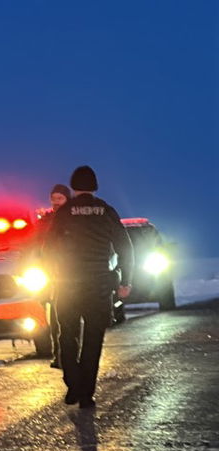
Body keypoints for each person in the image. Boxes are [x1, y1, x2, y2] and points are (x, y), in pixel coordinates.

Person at [43, 166, 133, 409]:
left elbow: (47, 248)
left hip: (68, 284)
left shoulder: (64, 213)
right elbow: (125, 248)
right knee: (94, 339)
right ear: (95, 186)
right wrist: (125, 281)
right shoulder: (106, 211)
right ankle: (86, 394)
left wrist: (53, 272)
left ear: (73, 186)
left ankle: (73, 384)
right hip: (99, 285)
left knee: (67, 336)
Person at [44, 183, 71, 369]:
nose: (56, 203)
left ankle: (70, 355)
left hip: (72, 276)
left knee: (69, 318)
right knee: (54, 317)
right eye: (53, 199)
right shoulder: (46, 221)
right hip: (51, 276)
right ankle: (59, 355)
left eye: (59, 199)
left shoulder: (75, 220)